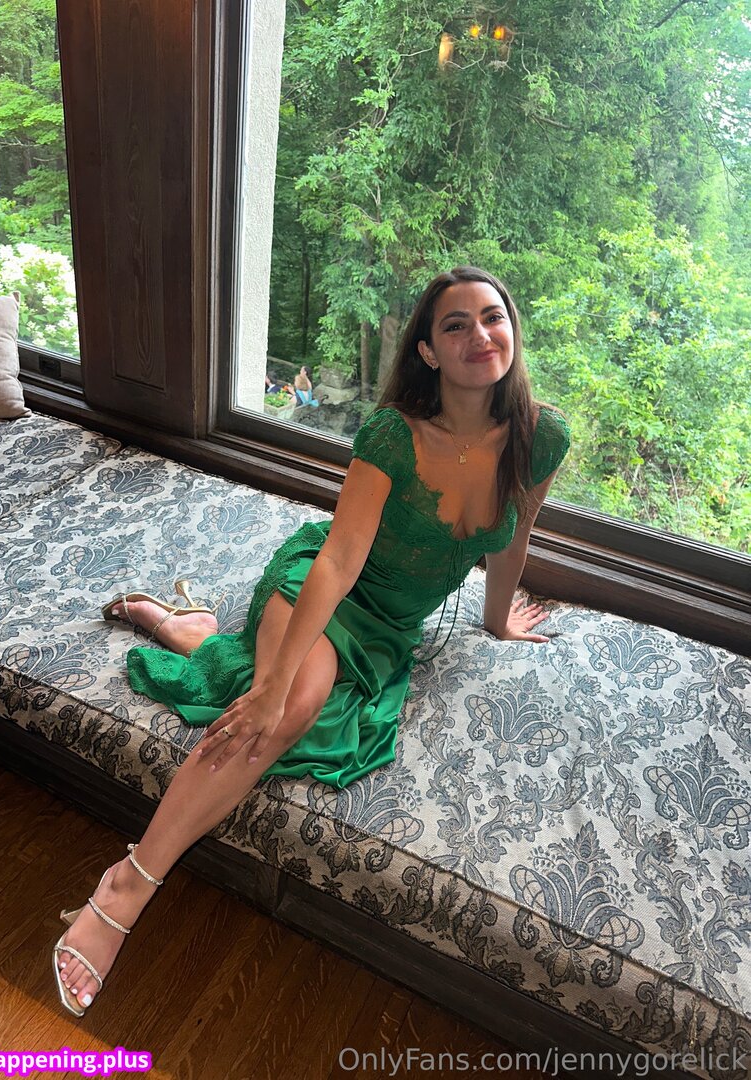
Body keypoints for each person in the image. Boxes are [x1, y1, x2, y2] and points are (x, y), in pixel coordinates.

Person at [52, 266, 571, 1016]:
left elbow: (515, 537)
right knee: (286, 707)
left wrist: (496, 623)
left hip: (390, 628)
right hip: (322, 588)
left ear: (512, 329)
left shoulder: (540, 435)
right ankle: (124, 889)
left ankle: (193, 631)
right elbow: (340, 559)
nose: (480, 335)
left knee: (307, 716)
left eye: (493, 317)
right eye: (455, 324)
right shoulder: (394, 434)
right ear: (428, 351)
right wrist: (271, 691)